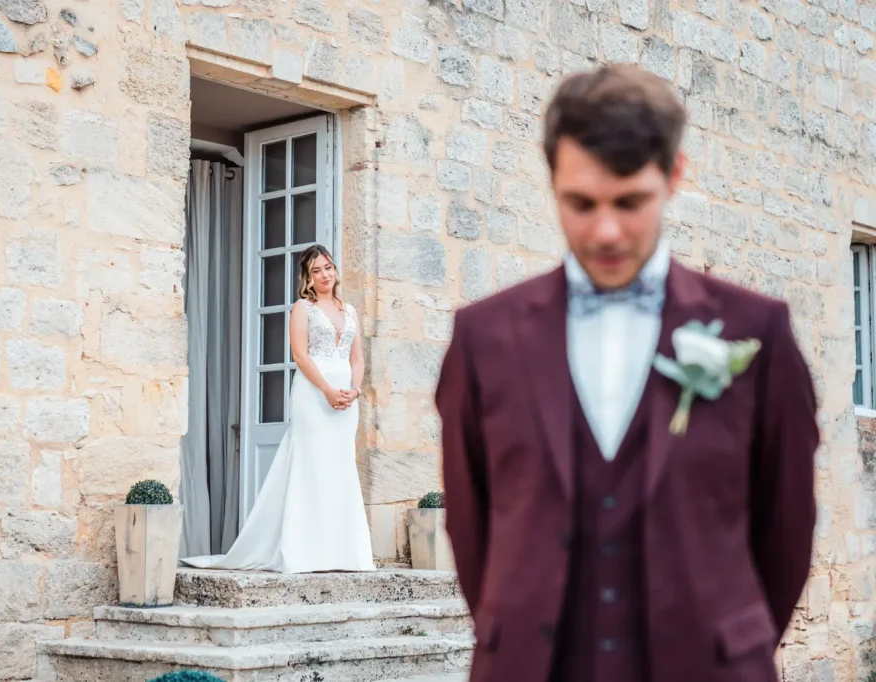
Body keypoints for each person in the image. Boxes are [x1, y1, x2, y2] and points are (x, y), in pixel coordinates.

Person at [435, 64, 818, 682]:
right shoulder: (483, 338)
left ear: (674, 176)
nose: (605, 231)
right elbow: (470, 521)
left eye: (630, 202)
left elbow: (787, 525)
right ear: (553, 182)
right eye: (580, 204)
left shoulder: (759, 332)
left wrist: (725, 639)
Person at [183, 245, 376, 573]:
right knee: (310, 464)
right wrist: (327, 390)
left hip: (346, 399)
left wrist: (354, 391)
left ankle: (344, 552)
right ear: (308, 278)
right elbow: (301, 355)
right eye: (317, 271)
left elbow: (356, 357)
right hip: (314, 395)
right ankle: (302, 551)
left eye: (328, 267)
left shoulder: (351, 311)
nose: (325, 275)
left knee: (338, 466)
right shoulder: (303, 308)